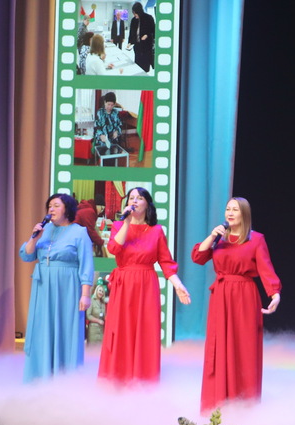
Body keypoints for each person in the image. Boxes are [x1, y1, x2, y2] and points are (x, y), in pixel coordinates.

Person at [192, 197, 281, 412]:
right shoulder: (219, 238)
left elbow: (266, 269)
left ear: (244, 214)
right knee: (219, 346)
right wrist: (212, 236)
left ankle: (244, 402)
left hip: (244, 297)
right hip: (221, 297)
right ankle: (217, 401)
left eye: (235, 209)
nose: (230, 213)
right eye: (228, 209)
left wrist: (275, 294)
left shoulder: (256, 239)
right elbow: (197, 257)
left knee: (244, 348)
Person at [98, 187, 191, 383]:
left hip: (146, 285)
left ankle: (143, 379)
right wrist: (126, 222)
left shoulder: (156, 231)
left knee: (145, 330)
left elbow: (166, 262)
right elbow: (113, 248)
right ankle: (118, 377)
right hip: (123, 284)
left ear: (147, 204)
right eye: (131, 198)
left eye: (139, 198)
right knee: (121, 329)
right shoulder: (118, 225)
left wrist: (177, 284)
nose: (134, 201)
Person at [19, 194, 94, 382]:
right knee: (42, 328)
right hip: (43, 286)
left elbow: (86, 264)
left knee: (66, 330)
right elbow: (27, 256)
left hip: (67, 288)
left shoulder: (79, 232)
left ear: (67, 209)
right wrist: (34, 238)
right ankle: (39, 376)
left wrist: (85, 294)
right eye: (49, 206)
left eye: (56, 206)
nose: (51, 209)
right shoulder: (44, 230)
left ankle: (65, 378)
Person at [93, 92, 122, 160]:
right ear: (104, 102)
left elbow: (119, 126)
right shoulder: (100, 112)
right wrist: (100, 135)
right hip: (101, 143)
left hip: (113, 143)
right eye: (108, 104)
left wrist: (117, 132)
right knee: (103, 161)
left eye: (112, 105)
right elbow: (96, 127)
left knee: (112, 161)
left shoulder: (116, 113)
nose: (110, 107)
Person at [128, 2, 155, 73]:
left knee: (145, 68)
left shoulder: (149, 18)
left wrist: (147, 35)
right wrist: (130, 42)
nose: (134, 15)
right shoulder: (133, 20)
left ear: (139, 11)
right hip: (137, 48)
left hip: (146, 48)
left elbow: (153, 30)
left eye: (135, 13)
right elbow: (131, 33)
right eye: (133, 13)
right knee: (137, 67)